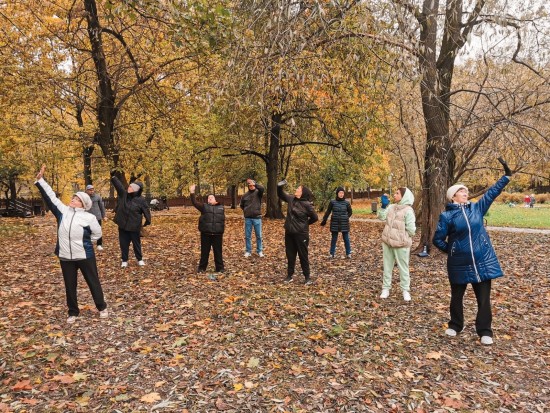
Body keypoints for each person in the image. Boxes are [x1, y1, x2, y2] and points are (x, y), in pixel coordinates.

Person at [433, 157, 512, 346]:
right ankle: (455, 325)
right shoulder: (447, 215)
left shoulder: (477, 209)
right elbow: (437, 239)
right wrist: (452, 250)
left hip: (482, 260)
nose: (465, 193)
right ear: (452, 197)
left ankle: (485, 331)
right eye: (461, 191)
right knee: (457, 297)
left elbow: (492, 193)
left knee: (484, 299)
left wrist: (506, 177)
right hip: (458, 263)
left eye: (466, 191)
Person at [34, 165, 108, 323]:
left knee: (93, 282)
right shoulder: (62, 211)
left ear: (84, 204)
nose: (73, 200)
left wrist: (86, 242)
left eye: (77, 199)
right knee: (69, 285)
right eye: (73, 198)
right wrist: (41, 180)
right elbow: (51, 197)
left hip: (85, 255)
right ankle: (73, 312)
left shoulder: (89, 218)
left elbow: (97, 233)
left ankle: (102, 307)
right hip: (65, 256)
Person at [377, 187, 416, 301]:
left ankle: (405, 290)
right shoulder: (391, 207)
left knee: (403, 268)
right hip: (387, 242)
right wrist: (384, 206)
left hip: (401, 244)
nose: (394, 195)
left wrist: (402, 237)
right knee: (387, 266)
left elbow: (412, 230)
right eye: (395, 193)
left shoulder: (408, 210)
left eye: (397, 193)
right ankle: (385, 289)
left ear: (404, 196)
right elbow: (381, 217)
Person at [277, 179, 318, 285]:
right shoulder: (291, 199)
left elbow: (315, 217)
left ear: (303, 192)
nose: (296, 189)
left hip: (301, 234)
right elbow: (281, 195)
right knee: (290, 255)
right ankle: (289, 275)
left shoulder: (307, 205)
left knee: (303, 255)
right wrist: (279, 186)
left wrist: (305, 224)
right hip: (289, 232)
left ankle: (307, 277)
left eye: (299, 188)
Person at [111, 172, 151, 268]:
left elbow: (146, 210)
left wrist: (147, 221)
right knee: (123, 244)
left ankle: (139, 259)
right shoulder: (124, 195)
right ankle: (124, 260)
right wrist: (113, 177)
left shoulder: (141, 200)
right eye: (130, 186)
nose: (129, 188)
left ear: (136, 190)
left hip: (134, 226)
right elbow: (119, 186)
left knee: (136, 243)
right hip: (123, 225)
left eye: (132, 187)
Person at [190, 185, 225, 273]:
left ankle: (220, 268)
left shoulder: (221, 207)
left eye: (211, 197)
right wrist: (192, 192)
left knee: (218, 252)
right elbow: (194, 202)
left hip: (217, 234)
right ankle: (202, 268)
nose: (210, 199)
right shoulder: (204, 207)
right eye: (208, 198)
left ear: (215, 199)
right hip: (206, 233)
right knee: (204, 252)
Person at [320, 187, 352, 259]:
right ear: (337, 193)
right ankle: (332, 253)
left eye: (342, 193)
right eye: (340, 193)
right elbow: (328, 211)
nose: (341, 194)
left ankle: (348, 253)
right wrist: (324, 220)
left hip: (344, 223)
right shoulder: (332, 202)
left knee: (346, 238)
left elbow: (350, 212)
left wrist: (346, 217)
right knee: (334, 238)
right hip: (335, 223)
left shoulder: (347, 203)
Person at [240, 178, 265, 258]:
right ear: (248, 186)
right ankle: (248, 251)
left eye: (252, 185)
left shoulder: (258, 193)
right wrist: (246, 211)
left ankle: (260, 251)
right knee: (247, 236)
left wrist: (254, 182)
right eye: (250, 185)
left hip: (257, 218)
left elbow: (262, 188)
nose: (251, 186)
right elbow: (242, 205)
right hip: (248, 218)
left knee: (259, 236)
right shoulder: (244, 195)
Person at [85, 184, 106, 250]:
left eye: (92, 190)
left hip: (97, 217)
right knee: (87, 231)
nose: (91, 191)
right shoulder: (84, 197)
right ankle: (88, 244)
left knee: (98, 230)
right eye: (90, 190)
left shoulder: (97, 197)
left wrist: (104, 216)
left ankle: (99, 244)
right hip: (87, 217)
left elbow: (102, 207)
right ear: (87, 190)